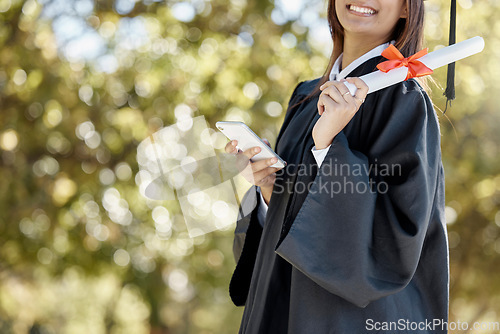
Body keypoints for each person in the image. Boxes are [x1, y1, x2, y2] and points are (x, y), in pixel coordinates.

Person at [226, 0, 449, 332]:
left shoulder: (403, 98)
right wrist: (270, 189)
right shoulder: (305, 98)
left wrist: (329, 146)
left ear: (406, 8)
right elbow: (282, 232)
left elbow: (397, 239)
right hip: (282, 310)